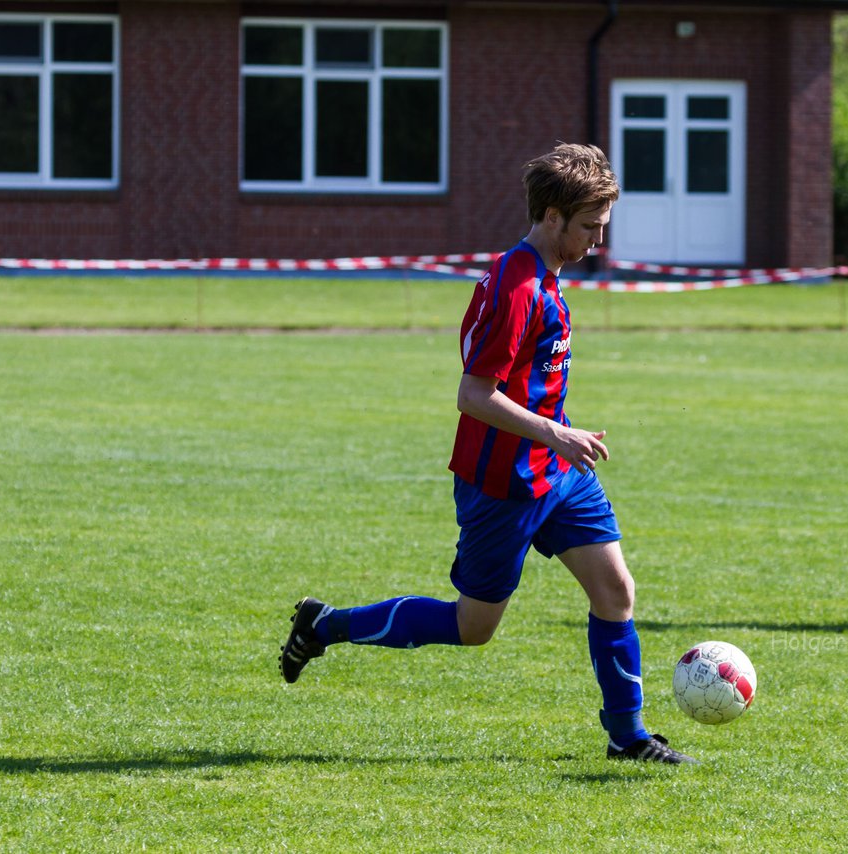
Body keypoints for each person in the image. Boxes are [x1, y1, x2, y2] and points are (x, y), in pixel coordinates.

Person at [279, 142, 696, 764]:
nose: (597, 241)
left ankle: (628, 737)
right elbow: (473, 395)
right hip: (504, 480)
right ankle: (326, 624)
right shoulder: (518, 287)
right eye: (589, 227)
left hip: (557, 468)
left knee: (615, 592)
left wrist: (558, 438)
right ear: (552, 216)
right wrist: (555, 433)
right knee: (474, 628)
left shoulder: (545, 276)